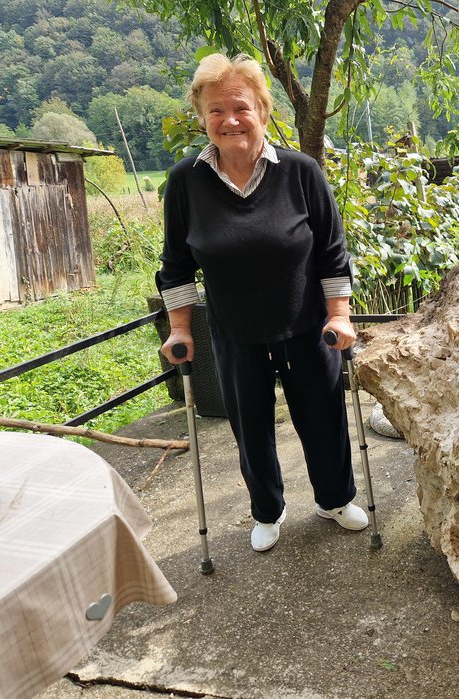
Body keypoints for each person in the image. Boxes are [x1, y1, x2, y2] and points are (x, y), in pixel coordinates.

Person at [156, 53, 368, 553]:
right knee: (250, 428)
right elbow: (176, 264)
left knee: (323, 418)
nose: (229, 120)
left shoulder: (300, 171)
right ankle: (267, 511)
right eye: (216, 110)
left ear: (263, 112)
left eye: (241, 107)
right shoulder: (185, 182)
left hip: (307, 327)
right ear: (202, 117)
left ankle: (334, 499)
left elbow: (331, 253)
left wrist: (339, 314)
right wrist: (181, 329)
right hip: (235, 331)